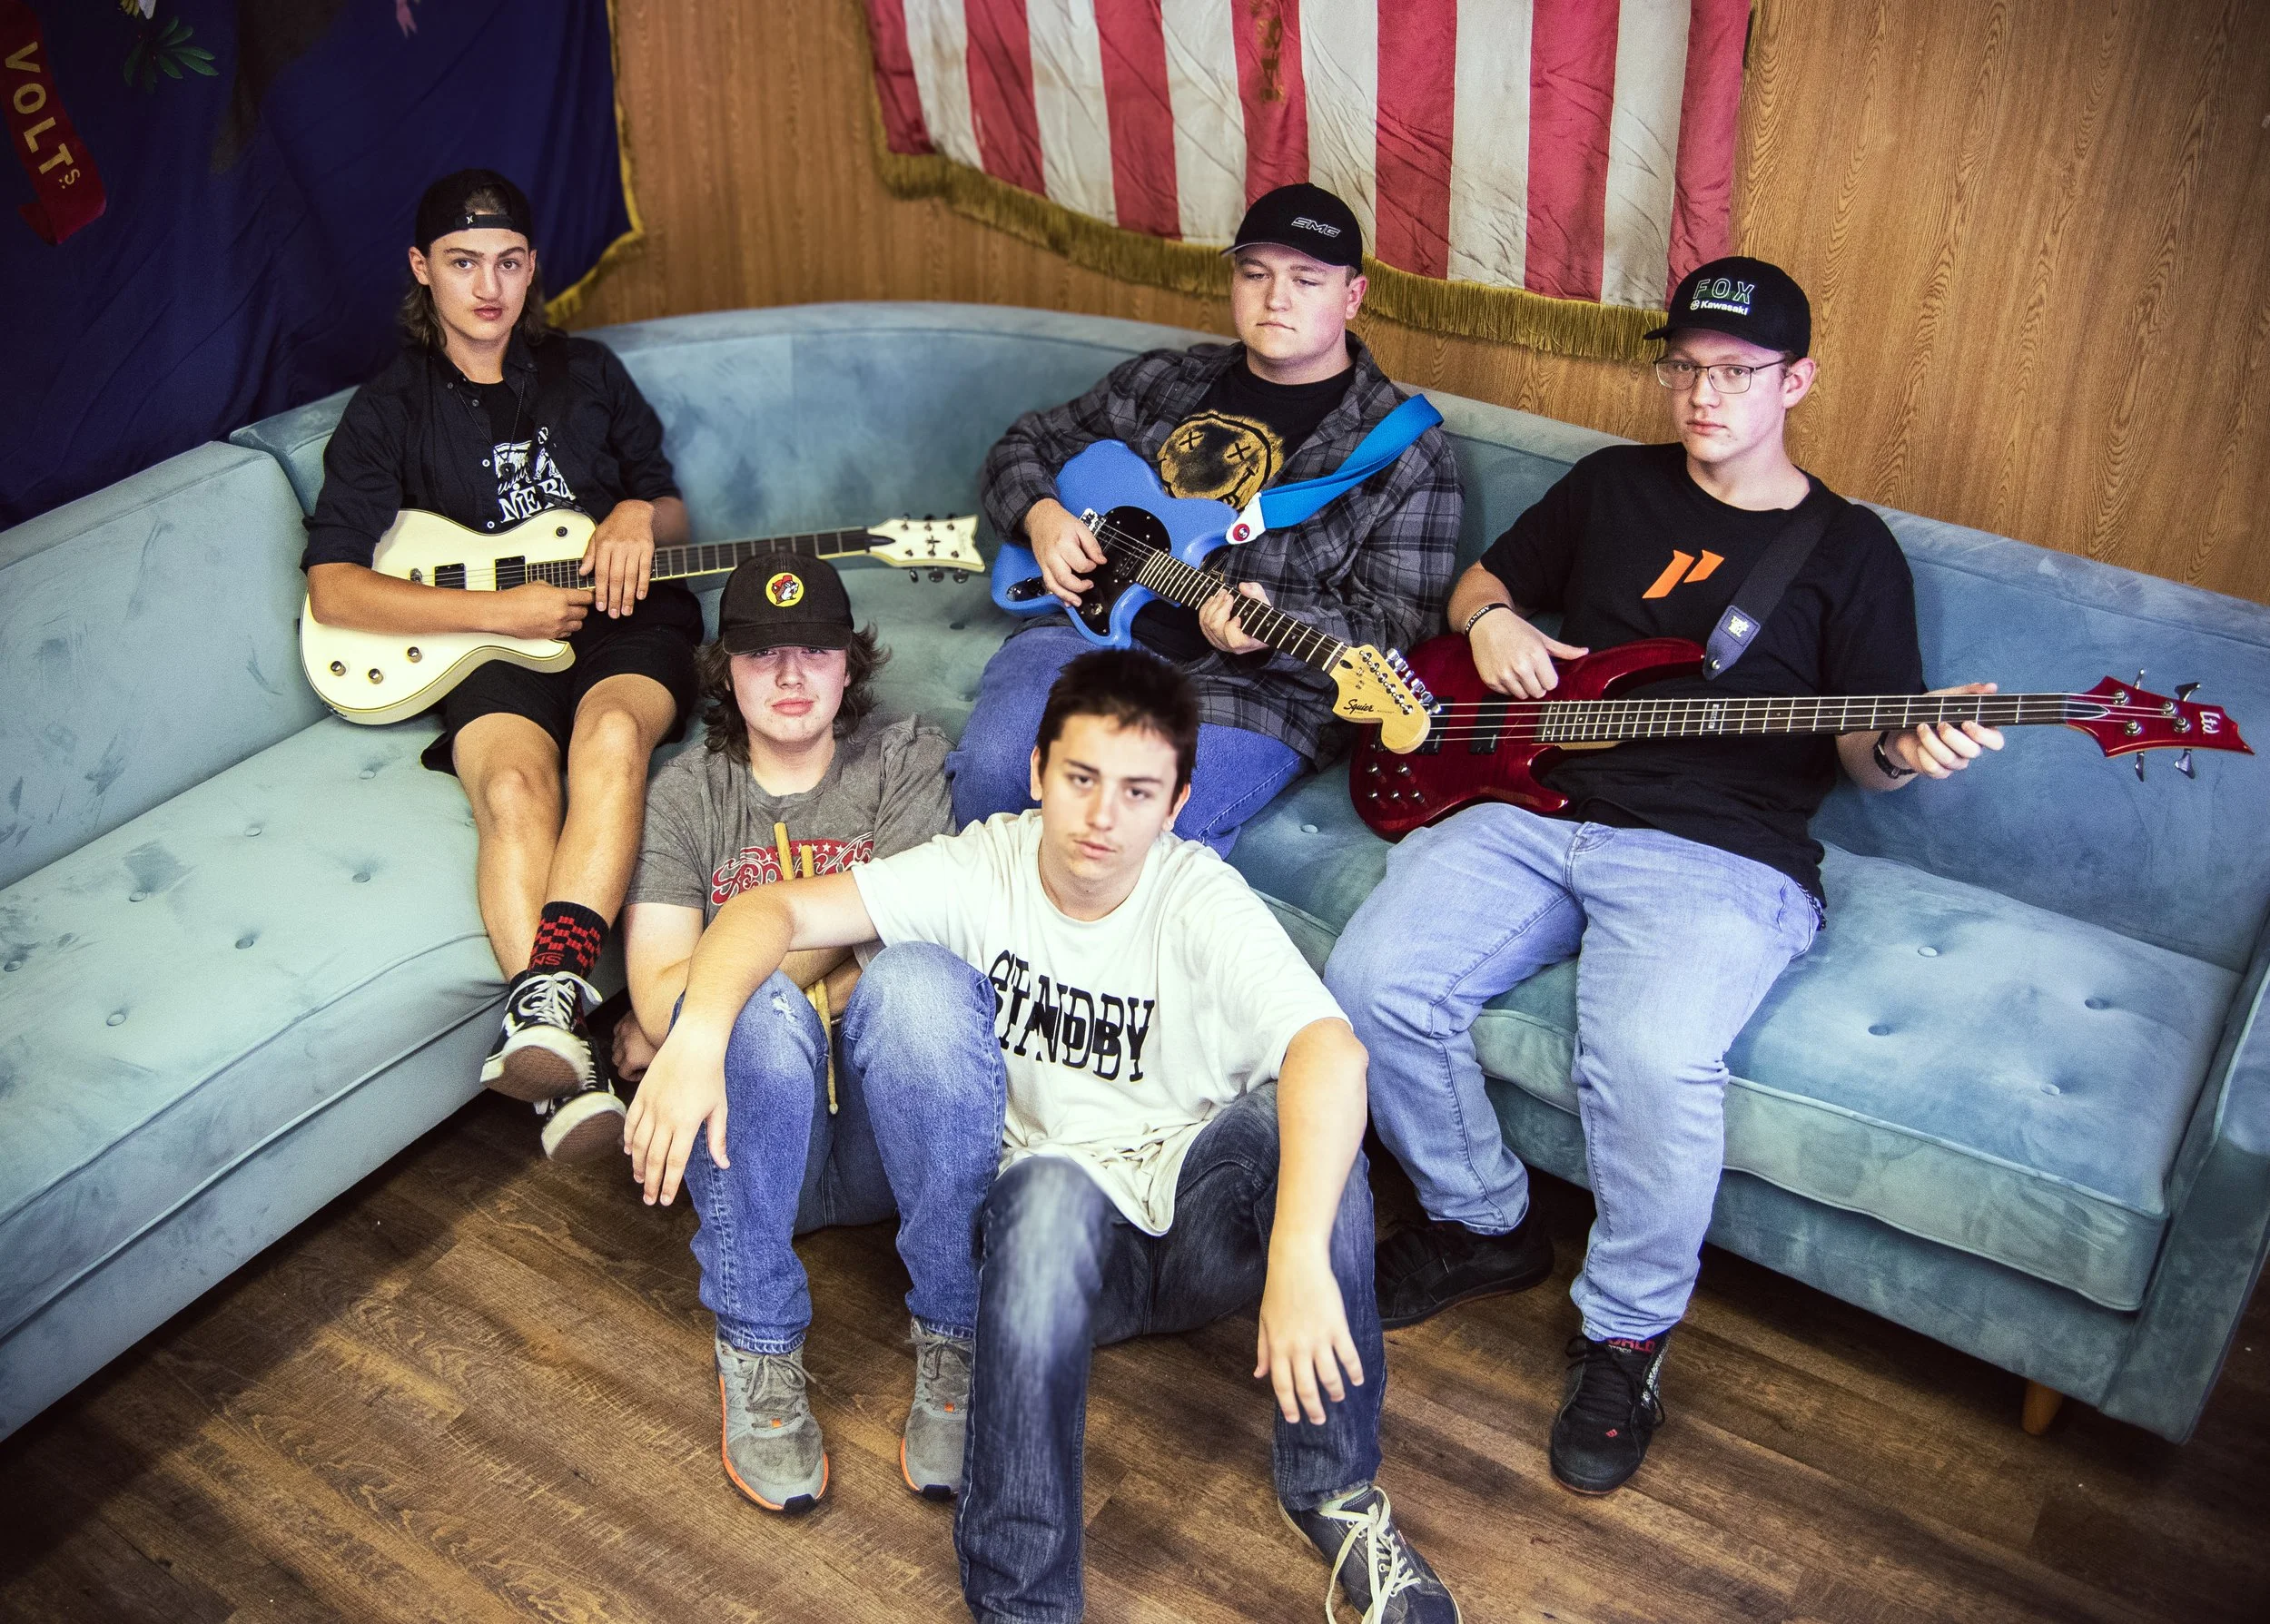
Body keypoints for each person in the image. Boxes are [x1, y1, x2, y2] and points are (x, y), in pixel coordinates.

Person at [1325, 257, 2006, 1496]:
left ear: (1797, 380)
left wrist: (1914, 743)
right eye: (1685, 366)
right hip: (1538, 806)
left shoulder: (1850, 553)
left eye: (1737, 373)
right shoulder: (1611, 485)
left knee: (1642, 1056)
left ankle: (1627, 1333)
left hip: (1721, 851)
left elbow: (1867, 754)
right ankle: (1485, 1222)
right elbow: (1484, 586)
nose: (1703, 395)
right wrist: (1490, 624)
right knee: (1372, 978)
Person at [629, 649, 1459, 1622]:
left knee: (1303, 1126)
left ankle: (1336, 1495)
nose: (1103, 816)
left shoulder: (1197, 897)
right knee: (1045, 1186)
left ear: (1177, 801)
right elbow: (772, 909)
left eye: (1138, 790)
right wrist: (695, 1035)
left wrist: (1296, 1260)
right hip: (1047, 1260)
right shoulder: (983, 866)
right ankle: (1023, 1604)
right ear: (1035, 774)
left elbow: (1330, 1050)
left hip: (1198, 1231)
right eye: (1081, 779)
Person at [301, 168, 704, 1162]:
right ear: (421, 270)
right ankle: (576, 1053)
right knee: (518, 786)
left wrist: (629, 514)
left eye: (510, 263)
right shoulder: (389, 409)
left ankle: (547, 1010)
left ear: (532, 270)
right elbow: (333, 588)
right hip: (485, 639)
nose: (489, 286)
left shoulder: (589, 372)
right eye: (463, 262)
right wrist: (499, 610)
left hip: (621, 619)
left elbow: (669, 508)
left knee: (610, 738)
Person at [953, 182, 1462, 853]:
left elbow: (1398, 628)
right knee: (994, 771)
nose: (1275, 298)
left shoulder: (1406, 451)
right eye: (1255, 274)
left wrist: (1271, 624)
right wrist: (1040, 516)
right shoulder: (1164, 379)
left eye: (1306, 279)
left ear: (1353, 296)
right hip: (1085, 633)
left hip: (1253, 690)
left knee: (1148, 833)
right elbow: (1024, 445)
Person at [613, 554, 956, 1511]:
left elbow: (914, 937)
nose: (794, 675)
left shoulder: (903, 756)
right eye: (766, 655)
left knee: (922, 982)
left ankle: (957, 1336)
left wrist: (728, 969)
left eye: (816, 649)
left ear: (852, 662)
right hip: (765, 1150)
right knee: (750, 1015)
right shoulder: (689, 795)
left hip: (898, 1135)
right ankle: (757, 1349)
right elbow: (655, 1006)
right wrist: (820, 957)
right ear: (727, 669)